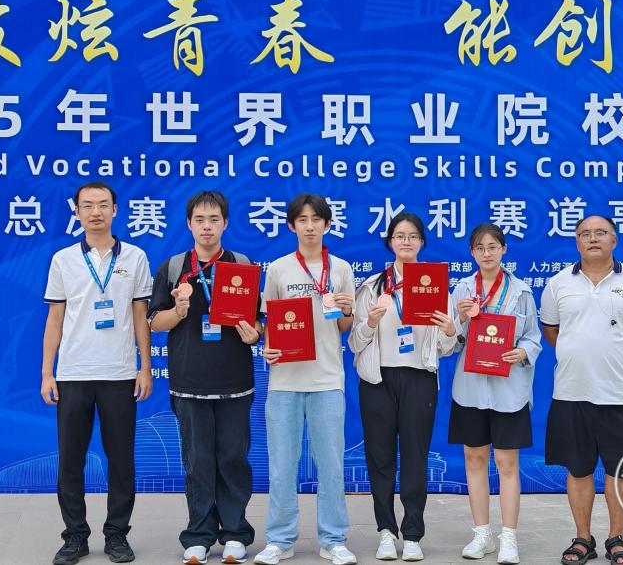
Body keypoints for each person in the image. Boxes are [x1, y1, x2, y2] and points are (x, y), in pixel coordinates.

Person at [40, 181, 154, 565]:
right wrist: (47, 373)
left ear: (115, 210)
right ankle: (75, 536)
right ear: (76, 212)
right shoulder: (63, 259)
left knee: (121, 459)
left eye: (103, 205)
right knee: (71, 460)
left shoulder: (135, 257)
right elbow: (55, 319)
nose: (95, 212)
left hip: (119, 374)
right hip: (73, 373)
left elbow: (140, 316)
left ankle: (117, 534)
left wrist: (144, 367)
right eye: (87, 205)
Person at [540, 216, 623, 565]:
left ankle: (616, 538)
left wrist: (620, 359)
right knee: (578, 470)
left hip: (621, 394)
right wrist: (577, 353)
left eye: (600, 233)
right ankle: (582, 538)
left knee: (620, 471)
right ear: (576, 241)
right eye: (585, 234)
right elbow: (551, 330)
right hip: (571, 392)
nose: (592, 238)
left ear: (614, 240)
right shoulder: (558, 283)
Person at [148, 191, 260, 565]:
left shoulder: (242, 265)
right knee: (197, 462)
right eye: (200, 220)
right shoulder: (173, 267)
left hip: (235, 381)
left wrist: (254, 334)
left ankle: (235, 533)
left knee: (233, 459)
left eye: (214, 219)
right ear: (189, 224)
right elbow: (154, 322)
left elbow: (258, 321)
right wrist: (179, 310)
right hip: (189, 382)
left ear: (225, 223)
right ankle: (198, 535)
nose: (207, 226)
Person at [253, 193, 358, 565]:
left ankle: (333, 539)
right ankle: (280, 540)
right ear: (291, 225)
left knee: (331, 465)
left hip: (327, 379)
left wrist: (346, 310)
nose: (310, 226)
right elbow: (269, 321)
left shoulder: (341, 268)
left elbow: (344, 326)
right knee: (282, 466)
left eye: (316, 219)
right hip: (284, 380)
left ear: (327, 224)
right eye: (302, 220)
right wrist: (267, 346)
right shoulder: (279, 269)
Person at [350, 212, 459, 562]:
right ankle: (385, 530)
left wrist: (449, 330)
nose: (406, 241)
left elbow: (446, 348)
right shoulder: (372, 286)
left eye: (412, 236)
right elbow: (355, 343)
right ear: (390, 242)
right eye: (400, 236)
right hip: (378, 380)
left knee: (415, 456)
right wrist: (370, 321)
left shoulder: (436, 286)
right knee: (380, 457)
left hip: (419, 378)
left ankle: (412, 533)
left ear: (422, 242)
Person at [450, 224, 542, 565]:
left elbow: (533, 336)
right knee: (474, 460)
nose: (486, 253)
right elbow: (449, 342)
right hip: (470, 389)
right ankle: (482, 534)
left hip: (509, 390)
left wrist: (524, 352)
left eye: (492, 246)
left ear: (503, 249)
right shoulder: (462, 290)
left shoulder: (521, 291)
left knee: (507, 463)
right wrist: (459, 322)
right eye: (480, 247)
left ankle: (509, 538)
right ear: (472, 253)